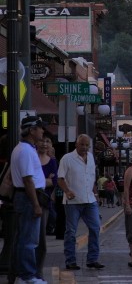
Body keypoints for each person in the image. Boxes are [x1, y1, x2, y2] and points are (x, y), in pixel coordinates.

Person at [57, 134, 104, 270]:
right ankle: (70, 260)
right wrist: (67, 191)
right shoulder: (67, 158)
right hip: (73, 202)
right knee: (71, 231)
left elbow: (91, 178)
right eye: (82, 144)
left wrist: (96, 194)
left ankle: (92, 259)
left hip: (90, 200)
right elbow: (60, 178)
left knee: (95, 228)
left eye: (86, 145)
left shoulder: (91, 157)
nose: (84, 147)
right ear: (76, 144)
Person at [10, 116, 47, 284]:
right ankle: (28, 276)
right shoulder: (25, 151)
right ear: (32, 130)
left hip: (26, 197)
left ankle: (21, 274)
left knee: (24, 238)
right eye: (40, 128)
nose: (42, 131)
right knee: (29, 240)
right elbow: (28, 180)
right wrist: (36, 204)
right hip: (28, 198)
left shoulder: (25, 149)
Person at [36, 133, 57, 275]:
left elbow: (54, 181)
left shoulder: (52, 162)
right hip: (30, 201)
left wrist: (39, 181)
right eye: (42, 141)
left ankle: (38, 270)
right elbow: (29, 179)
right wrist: (45, 180)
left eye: (47, 141)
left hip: (44, 202)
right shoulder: (32, 158)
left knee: (41, 237)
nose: (44, 144)